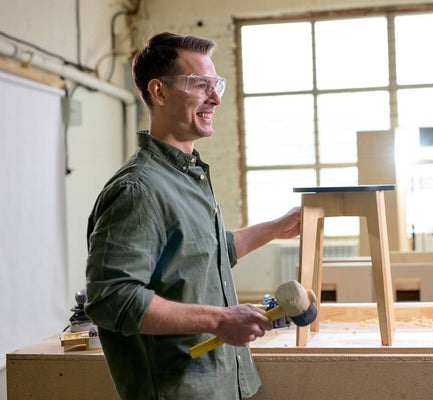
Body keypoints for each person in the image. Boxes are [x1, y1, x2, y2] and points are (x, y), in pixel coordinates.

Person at [85, 32, 301, 399]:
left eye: (215, 85)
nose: (215, 98)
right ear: (160, 92)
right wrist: (219, 319)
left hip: (220, 384)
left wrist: (277, 227)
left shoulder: (186, 175)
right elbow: (113, 299)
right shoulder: (139, 189)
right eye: (200, 85)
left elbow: (203, 254)